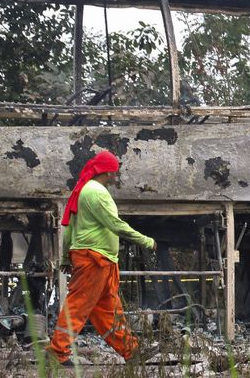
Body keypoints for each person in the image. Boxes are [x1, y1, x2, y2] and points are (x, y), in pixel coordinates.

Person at [47, 150, 157, 366]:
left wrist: (67, 257)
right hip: (94, 259)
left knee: (108, 311)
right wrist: (146, 241)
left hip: (98, 259)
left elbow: (68, 228)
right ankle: (57, 352)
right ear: (108, 172)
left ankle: (131, 352)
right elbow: (115, 224)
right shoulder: (96, 192)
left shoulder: (83, 190)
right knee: (78, 306)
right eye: (114, 173)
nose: (116, 177)